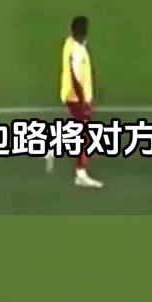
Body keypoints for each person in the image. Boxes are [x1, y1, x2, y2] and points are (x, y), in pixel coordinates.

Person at [46, 14, 103, 191]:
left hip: (71, 95)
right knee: (84, 135)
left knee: (77, 129)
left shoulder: (70, 44)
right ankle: (81, 174)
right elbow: (75, 77)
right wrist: (83, 101)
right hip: (76, 98)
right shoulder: (77, 50)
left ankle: (51, 147)